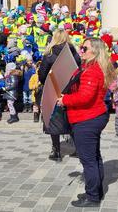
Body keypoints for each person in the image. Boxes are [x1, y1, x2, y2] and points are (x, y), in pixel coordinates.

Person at [56, 38, 115, 208]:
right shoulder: (90, 67)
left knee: (89, 160)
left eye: (84, 48)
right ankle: (96, 191)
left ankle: (93, 197)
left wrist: (65, 99)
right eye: (81, 47)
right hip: (91, 117)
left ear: (95, 52)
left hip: (87, 119)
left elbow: (85, 97)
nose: (81, 51)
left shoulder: (91, 70)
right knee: (94, 157)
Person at [38, 29, 81, 162]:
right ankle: (78, 149)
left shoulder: (49, 54)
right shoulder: (75, 54)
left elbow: (42, 74)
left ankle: (56, 150)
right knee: (72, 119)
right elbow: (78, 72)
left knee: (53, 120)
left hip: (54, 90)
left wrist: (48, 85)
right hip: (71, 90)